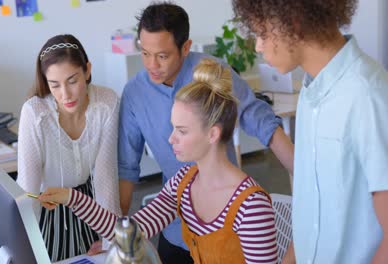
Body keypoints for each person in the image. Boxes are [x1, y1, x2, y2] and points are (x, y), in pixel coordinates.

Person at [39, 58, 278, 263]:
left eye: (182, 131)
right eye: (173, 128)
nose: (171, 138)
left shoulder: (251, 207)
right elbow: (127, 232)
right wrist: (70, 197)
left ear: (212, 134)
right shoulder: (184, 183)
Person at [118, 2, 294, 262]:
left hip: (227, 221)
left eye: (162, 56)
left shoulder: (212, 73)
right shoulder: (134, 93)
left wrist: (301, 173)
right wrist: (119, 241)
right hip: (176, 223)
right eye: (144, 53)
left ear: (185, 48)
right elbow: (127, 167)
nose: (151, 64)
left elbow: (257, 118)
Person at [231, 0, 388, 263]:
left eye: (262, 33)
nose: (258, 46)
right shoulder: (310, 92)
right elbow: (312, 211)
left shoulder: (368, 95)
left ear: (292, 21)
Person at [16, 34, 121, 261]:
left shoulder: (107, 102)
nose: (65, 94)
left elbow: (105, 177)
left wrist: (111, 239)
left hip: (89, 207)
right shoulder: (34, 113)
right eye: (55, 85)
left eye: (72, 81)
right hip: (47, 208)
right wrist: (24, 249)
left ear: (87, 70)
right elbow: (28, 190)